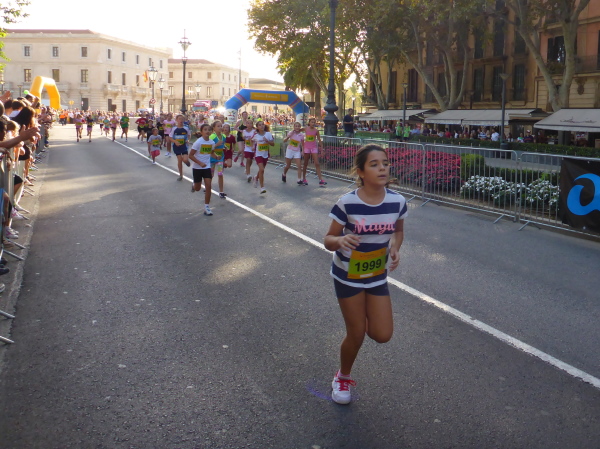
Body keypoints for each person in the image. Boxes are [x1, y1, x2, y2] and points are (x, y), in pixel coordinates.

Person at [324, 144, 408, 405]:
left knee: (382, 335)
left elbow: (398, 231)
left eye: (385, 163)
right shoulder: (347, 202)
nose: (382, 168)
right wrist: (340, 241)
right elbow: (328, 239)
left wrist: (395, 247)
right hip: (347, 276)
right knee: (357, 333)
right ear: (360, 172)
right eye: (374, 164)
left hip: (376, 276)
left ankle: (361, 320)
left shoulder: (397, 202)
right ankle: (342, 377)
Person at [189, 123, 218, 216]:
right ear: (201, 132)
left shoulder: (212, 142)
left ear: (211, 132)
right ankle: (194, 186)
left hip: (207, 167)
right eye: (205, 129)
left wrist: (216, 156)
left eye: (209, 130)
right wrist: (200, 163)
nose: (207, 131)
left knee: (208, 186)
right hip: (197, 168)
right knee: (197, 188)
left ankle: (207, 207)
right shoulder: (198, 142)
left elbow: (211, 152)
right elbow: (191, 155)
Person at [302, 117, 327, 186]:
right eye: (312, 122)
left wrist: (322, 149)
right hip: (307, 147)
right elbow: (297, 130)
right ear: (309, 123)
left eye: (314, 122)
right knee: (305, 163)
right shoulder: (306, 129)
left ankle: (320, 179)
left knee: (317, 163)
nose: (313, 123)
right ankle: (304, 178)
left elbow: (319, 140)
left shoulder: (316, 131)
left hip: (314, 148)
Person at [251, 120, 274, 194]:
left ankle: (256, 177)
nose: (262, 126)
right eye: (260, 125)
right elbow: (251, 140)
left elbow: (273, 144)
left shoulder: (268, 134)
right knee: (262, 169)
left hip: (265, 155)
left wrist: (267, 141)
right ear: (257, 127)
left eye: (263, 124)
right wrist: (252, 146)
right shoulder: (256, 135)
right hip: (258, 155)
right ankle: (262, 187)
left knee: (261, 170)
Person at [168, 114, 191, 181]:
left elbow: (189, 135)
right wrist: (175, 141)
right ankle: (181, 175)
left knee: (185, 159)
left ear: (184, 120)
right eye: (179, 119)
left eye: (182, 119)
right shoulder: (174, 128)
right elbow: (170, 137)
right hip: (176, 146)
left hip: (184, 146)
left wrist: (188, 140)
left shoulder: (186, 128)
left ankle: (187, 162)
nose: (181, 120)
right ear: (176, 120)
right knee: (180, 160)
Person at [209, 120, 228, 199]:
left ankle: (221, 192)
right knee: (211, 175)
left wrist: (224, 147)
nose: (220, 127)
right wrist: (216, 145)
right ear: (214, 128)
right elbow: (209, 147)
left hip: (220, 157)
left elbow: (222, 144)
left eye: (221, 126)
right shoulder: (212, 136)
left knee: (220, 174)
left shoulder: (224, 136)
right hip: (212, 157)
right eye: (218, 126)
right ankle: (208, 188)